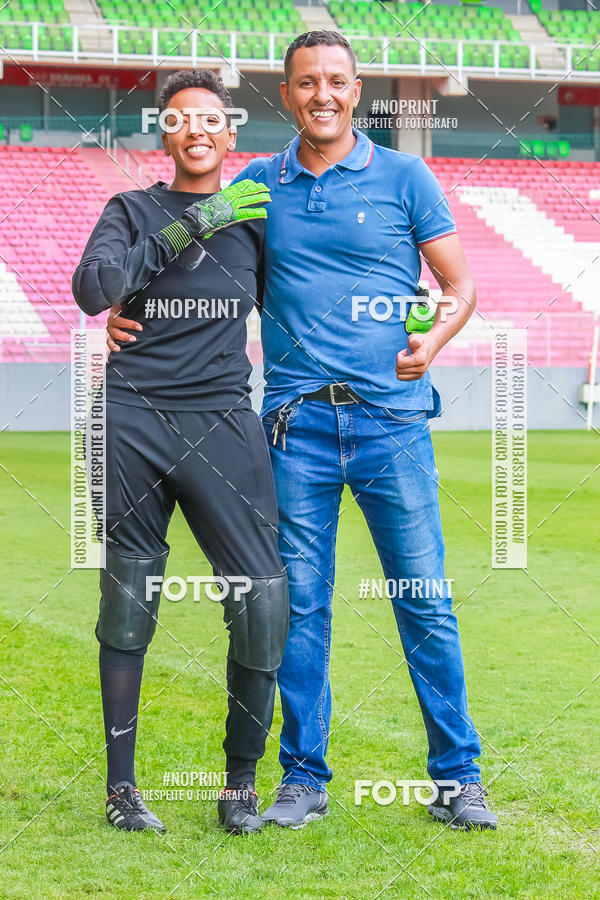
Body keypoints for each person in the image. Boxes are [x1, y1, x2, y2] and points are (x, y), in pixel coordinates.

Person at [109, 32, 497, 832]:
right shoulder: (256, 185)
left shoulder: (406, 176)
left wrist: (435, 337)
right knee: (299, 609)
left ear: (356, 92)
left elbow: (458, 287)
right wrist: (128, 306)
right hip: (293, 428)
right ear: (285, 96)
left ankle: (458, 779)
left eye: (336, 82)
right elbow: (190, 259)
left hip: (391, 425)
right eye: (306, 83)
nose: (322, 94)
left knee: (423, 601)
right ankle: (302, 778)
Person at [72, 69, 289, 836]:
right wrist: (191, 226)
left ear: (230, 134)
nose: (195, 129)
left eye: (210, 119)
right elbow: (95, 288)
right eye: (177, 120)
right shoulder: (130, 209)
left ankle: (238, 787)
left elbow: (309, 292)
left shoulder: (261, 218)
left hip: (224, 422)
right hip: (132, 417)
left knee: (262, 602)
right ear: (162, 135)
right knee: (128, 601)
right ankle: (122, 790)